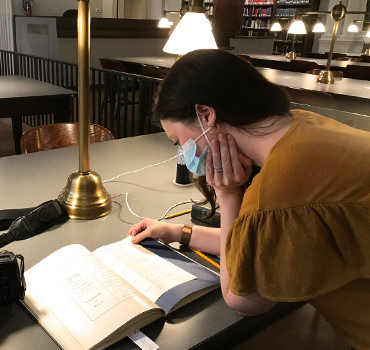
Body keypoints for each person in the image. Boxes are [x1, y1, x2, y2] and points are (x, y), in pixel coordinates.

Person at [127, 49, 370, 349]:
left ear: (206, 115)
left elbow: (241, 297)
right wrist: (178, 232)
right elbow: (258, 244)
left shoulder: (280, 186)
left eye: (179, 142)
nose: (183, 155)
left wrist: (229, 196)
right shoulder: (304, 126)